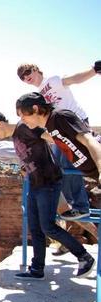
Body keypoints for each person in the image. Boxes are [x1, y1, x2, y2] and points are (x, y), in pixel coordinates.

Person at [0, 111, 95, 279]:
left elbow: (55, 140)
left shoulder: (25, 127)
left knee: (48, 227)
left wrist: (80, 153)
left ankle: (84, 257)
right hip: (35, 183)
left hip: (48, 181)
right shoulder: (15, 136)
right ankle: (37, 269)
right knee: (35, 227)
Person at [17, 61, 101, 220]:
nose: (26, 77)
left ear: (35, 69)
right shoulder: (39, 94)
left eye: (28, 72)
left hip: (73, 122)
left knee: (69, 164)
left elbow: (73, 79)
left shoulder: (52, 81)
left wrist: (93, 70)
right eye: (22, 77)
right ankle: (71, 205)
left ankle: (80, 207)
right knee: (57, 167)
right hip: (59, 128)